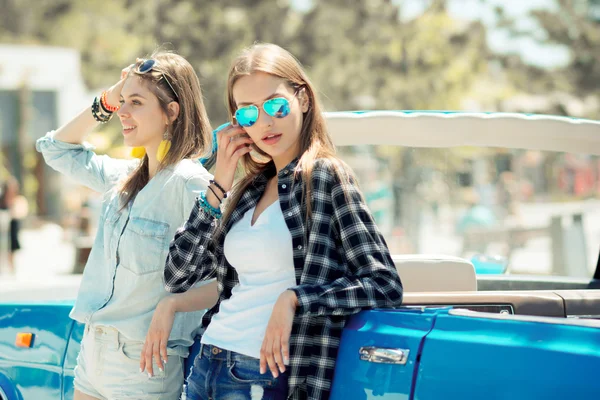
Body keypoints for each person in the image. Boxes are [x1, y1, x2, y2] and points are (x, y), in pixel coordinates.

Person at [153, 43, 404, 400]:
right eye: (249, 114)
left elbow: (383, 283)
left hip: (263, 374)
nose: (265, 122)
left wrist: (295, 299)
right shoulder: (246, 191)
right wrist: (220, 182)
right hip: (207, 362)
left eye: (275, 105)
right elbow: (178, 275)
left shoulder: (325, 177)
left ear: (302, 98)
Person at [36, 52, 219, 400]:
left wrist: (172, 306)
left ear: (172, 112)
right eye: (123, 101)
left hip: (144, 363)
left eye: (135, 102)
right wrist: (109, 96)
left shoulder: (191, 183)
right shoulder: (122, 177)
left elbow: (232, 276)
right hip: (92, 352)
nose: (123, 111)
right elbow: (55, 149)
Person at [0, 176, 28, 274]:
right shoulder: (2, 199)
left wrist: (12, 212)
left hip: (12, 226)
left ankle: (12, 269)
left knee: (12, 248)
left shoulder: (18, 199)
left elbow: (21, 212)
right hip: (2, 227)